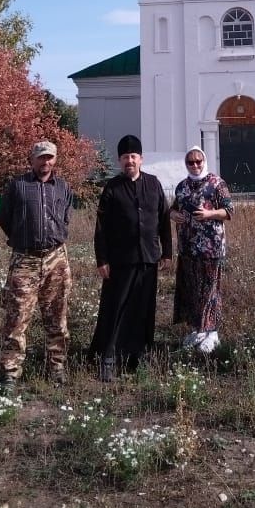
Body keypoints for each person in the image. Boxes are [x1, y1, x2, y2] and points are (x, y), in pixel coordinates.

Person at [89, 135, 172, 381]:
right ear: (120, 160)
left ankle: (139, 356)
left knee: (144, 309)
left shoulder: (153, 184)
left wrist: (167, 252)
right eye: (125, 157)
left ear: (141, 159)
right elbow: (101, 227)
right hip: (120, 261)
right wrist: (102, 259)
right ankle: (109, 358)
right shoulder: (112, 188)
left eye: (133, 157)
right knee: (115, 309)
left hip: (148, 259)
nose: (129, 161)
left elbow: (164, 219)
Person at [0, 140, 75, 386]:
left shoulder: (62, 187)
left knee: (57, 315)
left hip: (56, 258)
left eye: (50, 157)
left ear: (55, 159)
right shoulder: (18, 186)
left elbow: (66, 217)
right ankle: (10, 371)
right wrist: (24, 238)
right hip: (25, 259)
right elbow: (5, 219)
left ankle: (57, 367)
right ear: (32, 160)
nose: (46, 162)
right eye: (41, 157)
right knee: (17, 317)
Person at [170, 146, 233, 354]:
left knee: (211, 289)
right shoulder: (182, 186)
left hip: (211, 247)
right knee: (193, 289)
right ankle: (199, 329)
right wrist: (173, 215)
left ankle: (212, 332)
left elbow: (229, 211)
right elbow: (173, 207)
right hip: (188, 248)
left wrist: (210, 214)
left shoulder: (216, 183)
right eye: (191, 162)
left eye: (198, 161)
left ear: (204, 161)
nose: (195, 165)